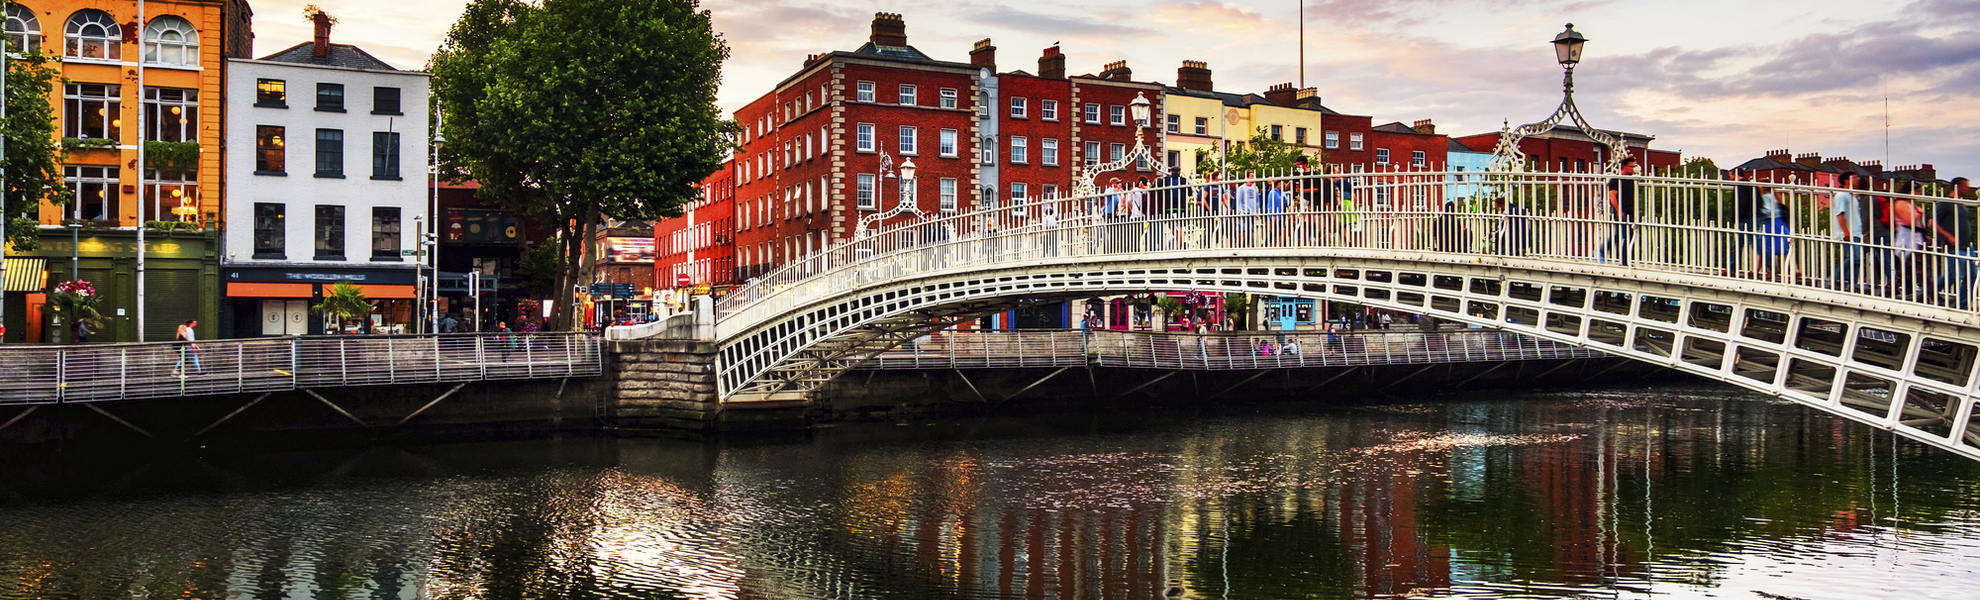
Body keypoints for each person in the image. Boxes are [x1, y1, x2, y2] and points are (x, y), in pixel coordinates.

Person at [1830, 172, 1866, 291]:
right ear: (1847, 180)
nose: (1858, 179)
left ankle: (1852, 284)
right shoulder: (1842, 195)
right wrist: (1846, 231)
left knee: (1857, 259)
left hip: (1855, 232)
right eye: (1855, 177)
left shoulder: (1853, 196)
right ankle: (1834, 277)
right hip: (1847, 232)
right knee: (1854, 258)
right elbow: (1840, 214)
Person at [1602, 157, 1640, 266]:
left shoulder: (1632, 180)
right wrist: (1618, 210)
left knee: (1626, 235)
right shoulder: (1616, 179)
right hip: (1622, 212)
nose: (1634, 169)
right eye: (1632, 166)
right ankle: (1622, 260)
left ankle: (1623, 259)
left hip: (1631, 211)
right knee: (1623, 235)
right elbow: (1612, 196)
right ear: (1624, 166)